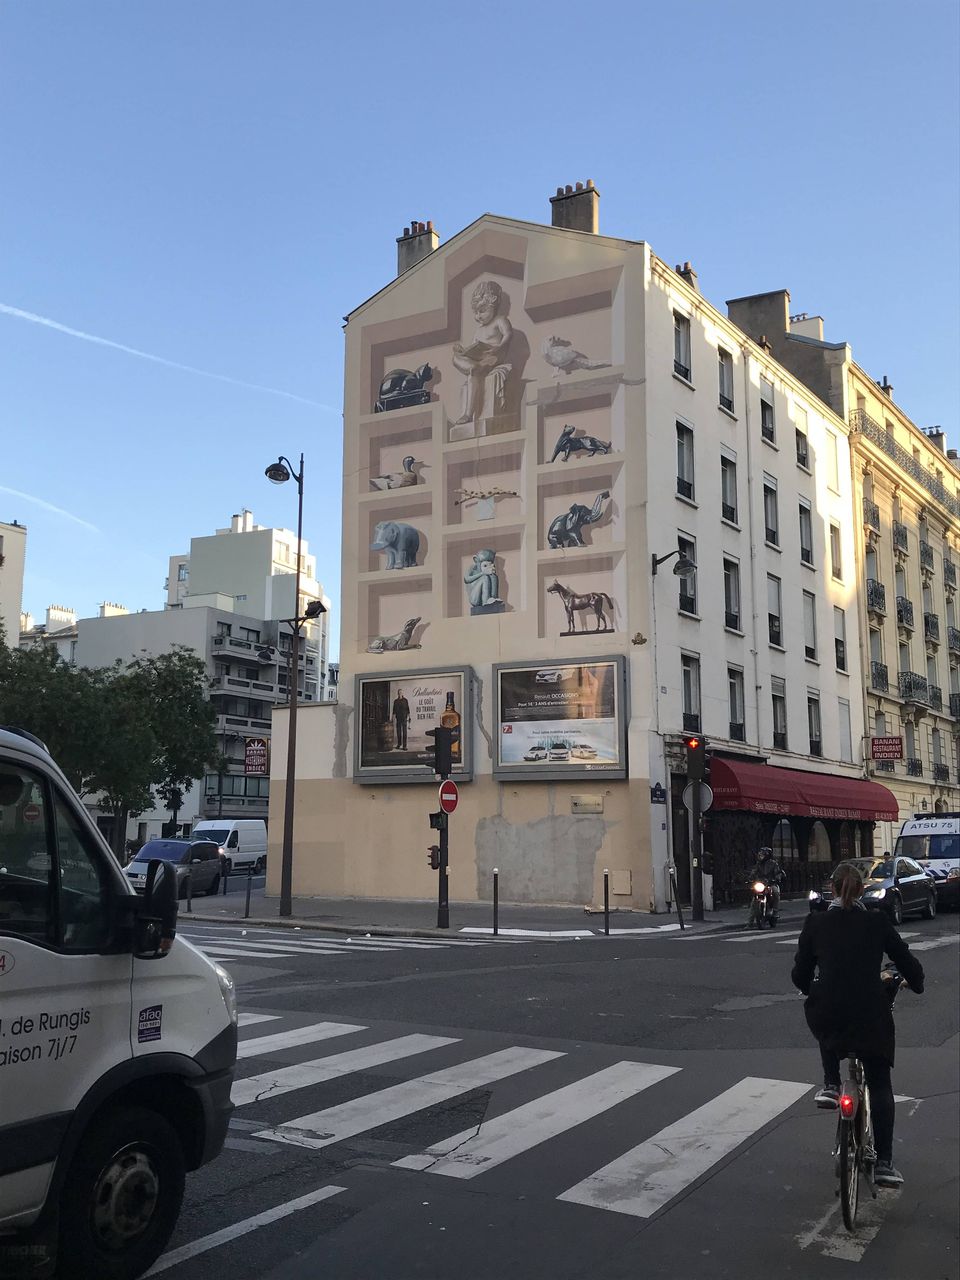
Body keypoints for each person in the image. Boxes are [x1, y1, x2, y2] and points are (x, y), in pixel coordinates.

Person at [791, 861, 924, 1188]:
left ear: (832, 889)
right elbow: (906, 960)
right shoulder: (876, 922)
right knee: (879, 1083)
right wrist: (917, 982)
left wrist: (811, 987)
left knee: (824, 1012)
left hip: (829, 1013)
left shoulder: (816, 922)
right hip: (870, 1015)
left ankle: (831, 1084)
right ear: (862, 890)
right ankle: (884, 1163)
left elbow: (800, 973)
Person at [750, 846, 785, 917]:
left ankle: (775, 912)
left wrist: (777, 878)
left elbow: (778, 872)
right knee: (754, 899)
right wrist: (751, 877)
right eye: (760, 854)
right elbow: (754, 871)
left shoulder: (774, 863)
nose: (760, 856)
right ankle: (750, 920)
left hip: (771, 883)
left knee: (775, 892)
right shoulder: (758, 864)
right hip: (761, 883)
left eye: (762, 855)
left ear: (767, 855)